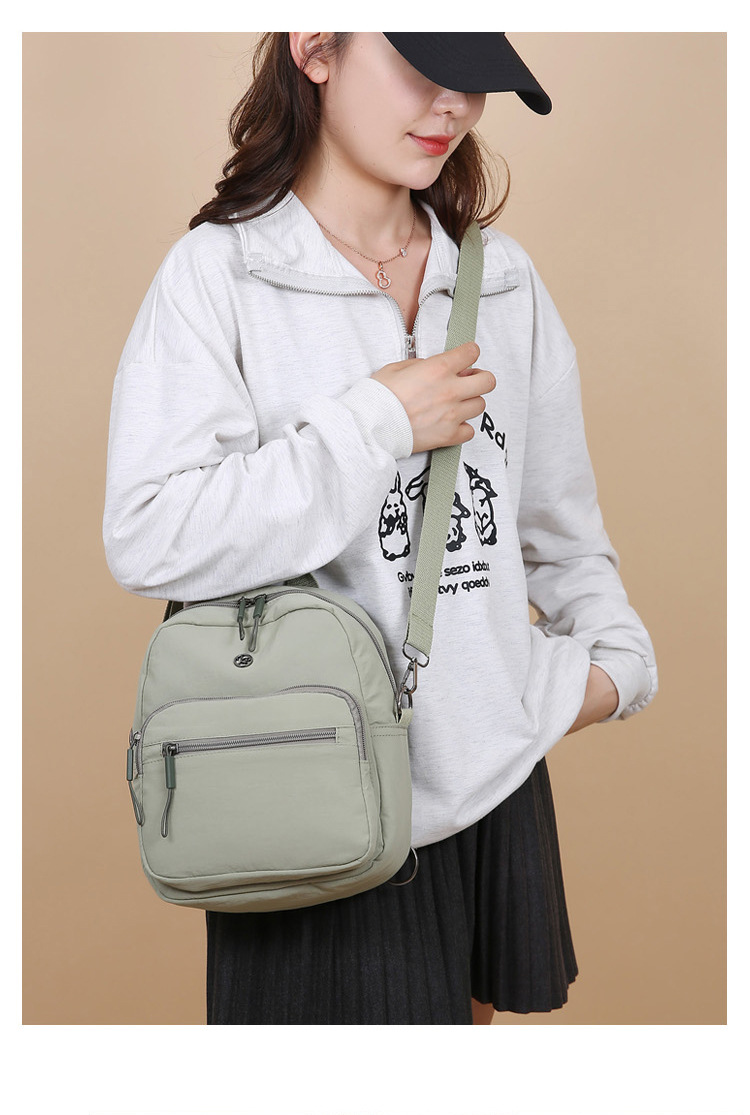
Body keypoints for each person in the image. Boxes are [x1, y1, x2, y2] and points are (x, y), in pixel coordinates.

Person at [103, 32, 658, 1025]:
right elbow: (150, 532)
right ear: (317, 47)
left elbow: (559, 524)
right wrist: (375, 422)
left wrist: (618, 664)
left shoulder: (501, 278)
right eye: (423, 68)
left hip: (492, 776)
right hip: (308, 780)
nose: (454, 106)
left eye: (474, 81)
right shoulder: (223, 275)